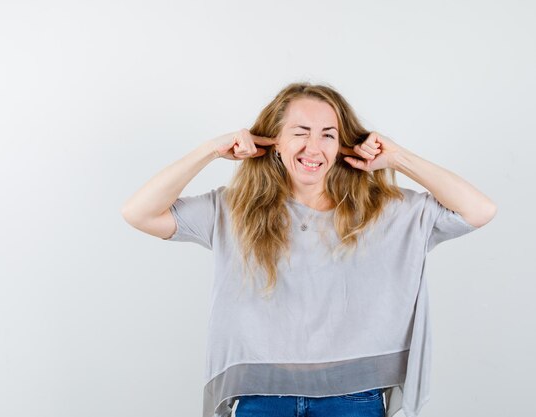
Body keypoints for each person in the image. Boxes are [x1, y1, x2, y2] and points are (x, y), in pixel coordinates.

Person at [121, 82, 496, 417]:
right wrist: (211, 151)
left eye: (328, 135)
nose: (313, 147)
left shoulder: (384, 210)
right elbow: (138, 212)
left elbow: (479, 210)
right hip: (262, 398)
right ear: (275, 143)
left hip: (353, 400)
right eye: (300, 132)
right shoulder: (233, 209)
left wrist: (397, 157)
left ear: (341, 145)